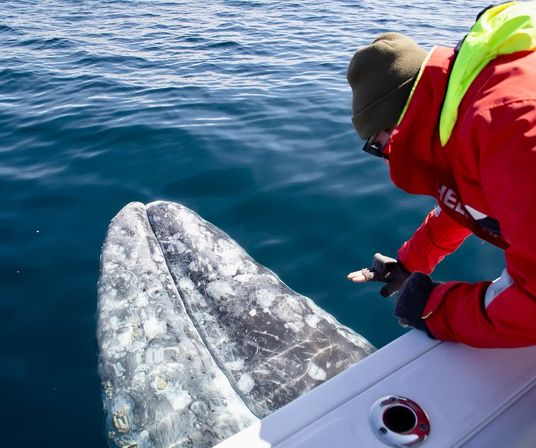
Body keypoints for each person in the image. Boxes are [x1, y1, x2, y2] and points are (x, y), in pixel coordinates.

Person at [345, 1, 536, 348]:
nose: (384, 156)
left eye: (377, 145)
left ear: (395, 124)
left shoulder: (509, 128)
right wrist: (409, 263)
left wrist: (434, 308)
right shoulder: (472, 107)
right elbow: (470, 196)